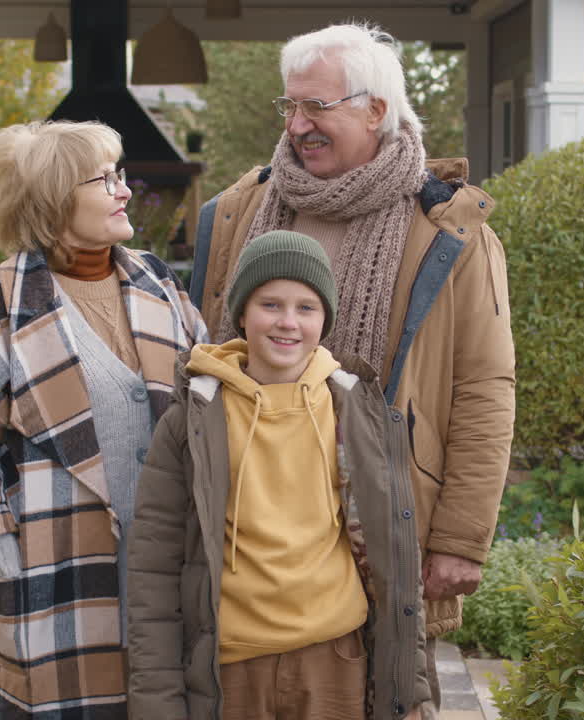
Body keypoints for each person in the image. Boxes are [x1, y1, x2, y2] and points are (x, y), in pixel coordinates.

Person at [185, 22, 516, 705]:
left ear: (375, 110)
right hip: (255, 538)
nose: (298, 123)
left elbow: (485, 388)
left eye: (317, 107)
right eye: (290, 106)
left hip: (387, 528)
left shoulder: (447, 232)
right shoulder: (239, 211)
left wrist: (460, 537)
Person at [0, 120, 208, 720]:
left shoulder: (158, 283)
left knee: (163, 701)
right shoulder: (5, 302)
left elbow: (211, 396)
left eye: (120, 175)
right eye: (104, 180)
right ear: (54, 199)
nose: (124, 190)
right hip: (56, 563)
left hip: (166, 561)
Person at [127, 230, 431, 720]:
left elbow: (398, 561)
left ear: (324, 319)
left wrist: (409, 690)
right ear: (242, 313)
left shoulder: (357, 412)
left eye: (306, 308)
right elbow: (153, 574)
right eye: (270, 304)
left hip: (334, 659)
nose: (288, 323)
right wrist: (156, 704)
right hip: (229, 669)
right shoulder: (192, 420)